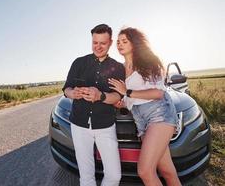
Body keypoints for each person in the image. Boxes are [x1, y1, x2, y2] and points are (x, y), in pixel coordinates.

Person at [108, 27, 182, 186]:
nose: (120, 44)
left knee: (145, 171)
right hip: (140, 120)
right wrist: (121, 103)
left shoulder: (149, 62)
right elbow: (130, 99)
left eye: (124, 41)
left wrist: (127, 91)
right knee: (167, 171)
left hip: (159, 114)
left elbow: (158, 93)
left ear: (134, 43)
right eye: (118, 42)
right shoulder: (120, 69)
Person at [62, 24, 125, 186]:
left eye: (102, 43)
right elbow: (66, 88)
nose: (98, 46)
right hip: (79, 125)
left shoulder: (118, 67)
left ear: (110, 42)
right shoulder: (79, 63)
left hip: (105, 125)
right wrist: (72, 93)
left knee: (114, 175)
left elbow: (117, 96)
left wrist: (100, 96)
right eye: (95, 42)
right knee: (86, 176)